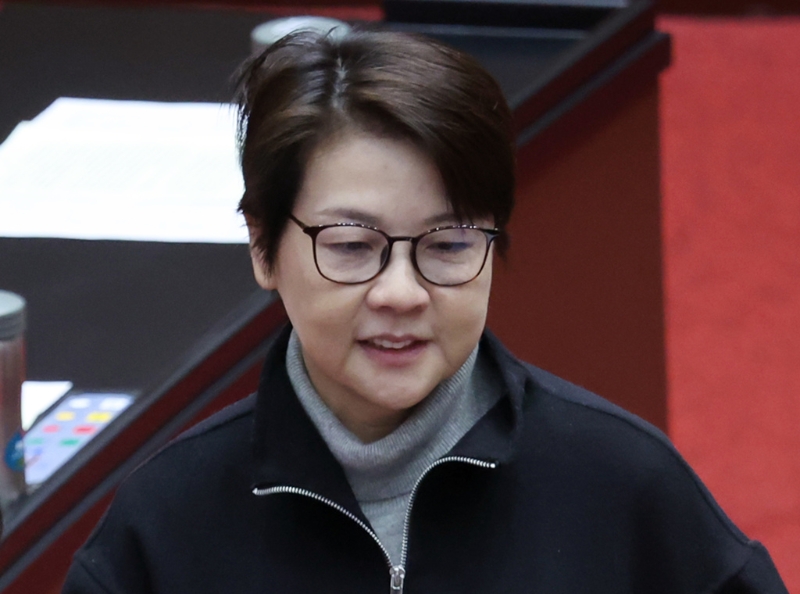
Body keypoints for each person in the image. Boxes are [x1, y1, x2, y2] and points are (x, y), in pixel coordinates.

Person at [62, 29, 788, 594]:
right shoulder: (166, 525)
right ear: (262, 246)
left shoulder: (625, 488)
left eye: (447, 245)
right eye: (353, 246)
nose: (402, 293)